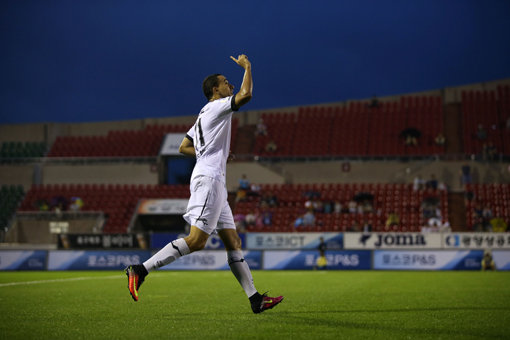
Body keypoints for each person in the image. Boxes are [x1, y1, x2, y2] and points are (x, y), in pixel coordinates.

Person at [125, 55, 283, 314]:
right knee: (197, 241)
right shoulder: (216, 106)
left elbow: (183, 146)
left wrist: (212, 152)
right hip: (209, 180)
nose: (230, 85)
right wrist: (248, 68)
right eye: (225, 82)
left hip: (215, 180)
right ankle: (140, 270)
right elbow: (246, 95)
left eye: (230, 82)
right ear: (215, 90)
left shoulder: (204, 114)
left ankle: (256, 299)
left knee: (233, 241)